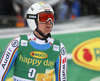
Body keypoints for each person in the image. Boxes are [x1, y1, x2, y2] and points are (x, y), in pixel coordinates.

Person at [0, 2, 67, 81]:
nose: (49, 22)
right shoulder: (17, 43)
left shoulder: (59, 48)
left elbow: (62, 79)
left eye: (51, 18)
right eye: (44, 18)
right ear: (33, 20)